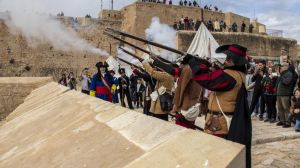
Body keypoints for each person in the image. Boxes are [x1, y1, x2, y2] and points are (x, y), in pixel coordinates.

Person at [182, 44, 252, 168]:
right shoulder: (237, 74)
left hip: (219, 123)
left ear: (234, 61)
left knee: (216, 158)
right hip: (219, 121)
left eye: (229, 58)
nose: (226, 60)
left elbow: (206, 80)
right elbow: (213, 76)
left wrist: (193, 63)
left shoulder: (229, 75)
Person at [151, 57, 203, 129]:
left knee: (181, 131)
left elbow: (180, 91)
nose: (180, 66)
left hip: (185, 107)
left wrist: (175, 106)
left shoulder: (187, 70)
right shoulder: (196, 70)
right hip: (192, 106)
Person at [276, 63, 294, 128]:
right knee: (280, 108)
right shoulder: (282, 74)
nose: (281, 67)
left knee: (286, 108)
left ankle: (287, 122)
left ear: (287, 67)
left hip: (285, 94)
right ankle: (282, 120)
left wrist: (280, 76)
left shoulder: (289, 74)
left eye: (283, 66)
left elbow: (287, 82)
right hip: (279, 94)